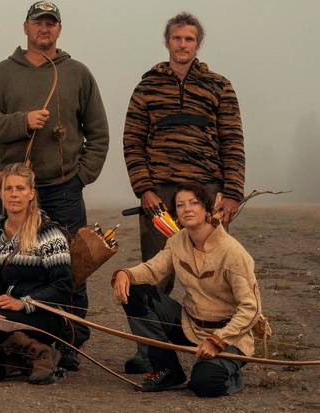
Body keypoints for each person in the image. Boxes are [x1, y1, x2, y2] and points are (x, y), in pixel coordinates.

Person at [0, 0, 109, 369]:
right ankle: (8, 339)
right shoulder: (2, 73)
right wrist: (22, 121)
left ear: (59, 30)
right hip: (12, 191)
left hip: (63, 188)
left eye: (51, 23)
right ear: (26, 27)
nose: (44, 28)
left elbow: (98, 133)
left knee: (73, 268)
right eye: (38, 22)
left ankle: (70, 343)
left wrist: (81, 177)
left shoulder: (78, 73)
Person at [121, 12, 245, 373]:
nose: (182, 44)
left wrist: (232, 193)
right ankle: (151, 353)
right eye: (177, 38)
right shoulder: (147, 87)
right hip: (160, 197)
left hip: (207, 194)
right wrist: (144, 188)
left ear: (198, 44)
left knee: (216, 272)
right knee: (154, 274)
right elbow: (132, 141)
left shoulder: (219, 86)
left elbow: (232, 141)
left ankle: (224, 346)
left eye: (189, 39)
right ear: (167, 42)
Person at [112, 183, 261, 396]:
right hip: (190, 326)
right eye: (180, 205)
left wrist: (218, 340)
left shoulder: (233, 252)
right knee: (136, 291)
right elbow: (152, 270)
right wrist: (125, 274)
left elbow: (251, 308)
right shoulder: (177, 241)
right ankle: (167, 370)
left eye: (194, 203)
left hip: (230, 336)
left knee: (204, 383)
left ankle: (228, 373)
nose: (187, 209)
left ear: (207, 208)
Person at [0, 163, 73, 385]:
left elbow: (62, 287)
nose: (14, 194)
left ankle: (40, 350)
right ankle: (32, 356)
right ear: (1, 193)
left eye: (20, 188)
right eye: (8, 188)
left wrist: (23, 303)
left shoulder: (49, 233)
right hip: (3, 316)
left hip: (42, 316)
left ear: (31, 193)